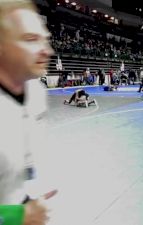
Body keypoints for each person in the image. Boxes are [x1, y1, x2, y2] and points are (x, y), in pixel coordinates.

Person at [0, 0, 57, 224]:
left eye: (46, 40)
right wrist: (17, 217)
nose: (47, 51)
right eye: (31, 39)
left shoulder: (35, 91)